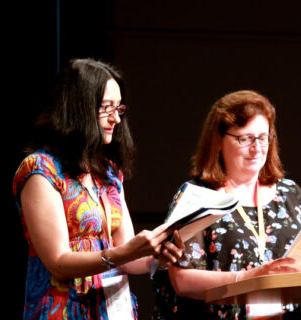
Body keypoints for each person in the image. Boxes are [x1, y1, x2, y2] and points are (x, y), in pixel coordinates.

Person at [13, 58, 185, 319]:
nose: (116, 118)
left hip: (112, 309)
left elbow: (126, 254)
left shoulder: (109, 173)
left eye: (119, 108)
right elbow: (58, 263)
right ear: (78, 108)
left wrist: (155, 256)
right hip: (64, 311)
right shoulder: (41, 170)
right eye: (107, 108)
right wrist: (122, 253)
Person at [152, 90, 301, 319]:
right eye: (245, 139)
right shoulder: (198, 197)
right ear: (219, 141)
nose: (257, 148)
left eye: (263, 138)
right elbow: (183, 280)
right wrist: (250, 278)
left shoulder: (291, 193)